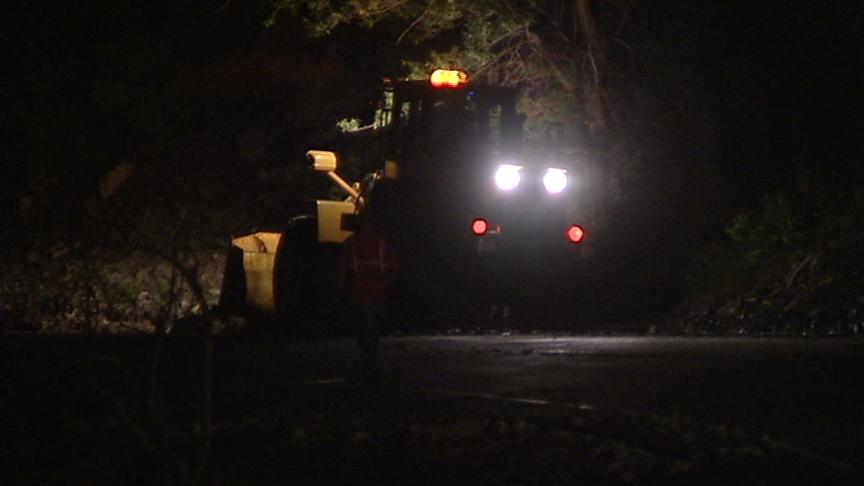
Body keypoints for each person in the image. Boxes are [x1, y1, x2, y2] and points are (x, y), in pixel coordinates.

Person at [342, 210, 397, 388]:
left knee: (365, 333)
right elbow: (392, 267)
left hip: (360, 294)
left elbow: (342, 270)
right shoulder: (381, 243)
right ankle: (372, 368)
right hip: (378, 294)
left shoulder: (351, 244)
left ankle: (369, 368)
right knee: (372, 333)